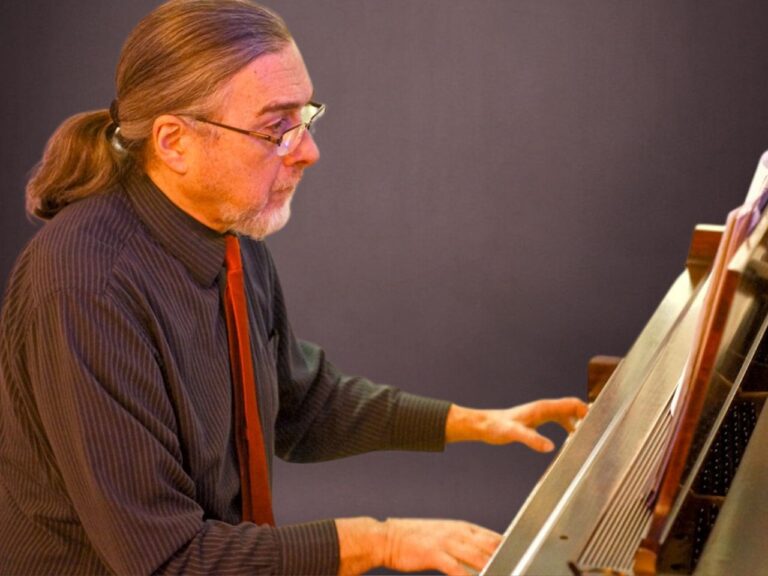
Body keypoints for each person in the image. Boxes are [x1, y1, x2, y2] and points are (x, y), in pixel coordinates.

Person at [0, 1, 588, 574]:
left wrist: (472, 422)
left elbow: (301, 406)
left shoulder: (231, 233)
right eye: (275, 128)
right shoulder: (87, 286)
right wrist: (379, 541)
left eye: (304, 118)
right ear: (174, 141)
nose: (308, 152)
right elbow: (166, 559)